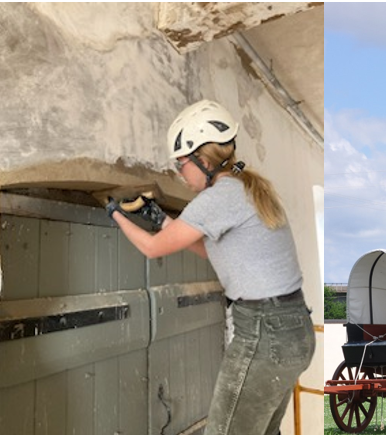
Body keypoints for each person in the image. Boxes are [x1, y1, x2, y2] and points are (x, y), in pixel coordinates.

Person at [109, 100, 314, 434]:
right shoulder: (247, 189)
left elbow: (151, 249)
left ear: (202, 161)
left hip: (264, 334)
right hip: (295, 332)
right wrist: (161, 219)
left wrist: (113, 212)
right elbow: (212, 251)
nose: (180, 174)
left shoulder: (217, 198)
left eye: (181, 165)